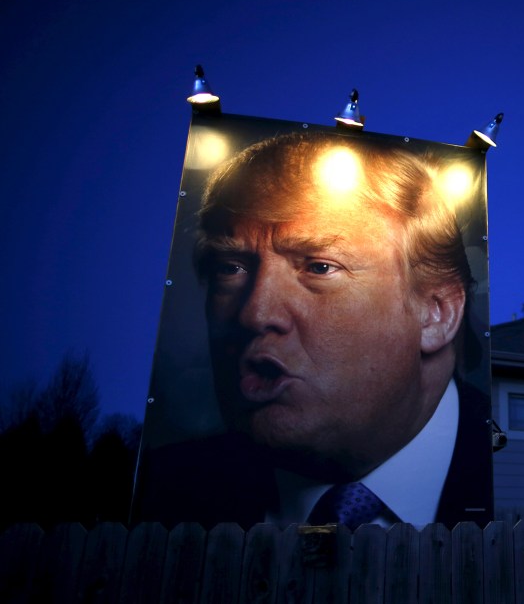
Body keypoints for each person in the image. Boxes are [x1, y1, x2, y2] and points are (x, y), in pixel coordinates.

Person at [132, 131, 493, 529]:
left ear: (436, 314)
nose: (255, 314)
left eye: (320, 266)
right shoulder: (163, 495)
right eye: (230, 267)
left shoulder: (507, 473)